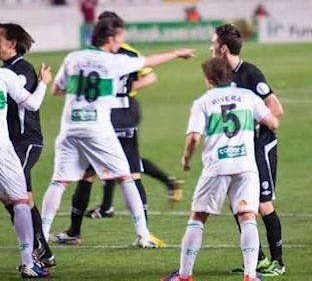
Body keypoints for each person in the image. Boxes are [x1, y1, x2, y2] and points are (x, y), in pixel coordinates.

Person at [40, 13, 195, 247]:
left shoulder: (74, 57)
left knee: (59, 181)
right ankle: (143, 235)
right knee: (125, 177)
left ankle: (40, 234)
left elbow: (56, 90)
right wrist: (176, 53)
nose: (120, 44)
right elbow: (150, 62)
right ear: (110, 38)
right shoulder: (114, 61)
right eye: (120, 39)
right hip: (97, 129)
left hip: (70, 128)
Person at [160, 57, 279, 281]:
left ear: (209, 79)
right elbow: (273, 122)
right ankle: (251, 275)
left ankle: (184, 276)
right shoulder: (248, 96)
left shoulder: (203, 102)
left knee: (198, 216)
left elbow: (194, 137)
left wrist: (186, 159)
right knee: (247, 216)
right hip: (246, 166)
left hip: (217, 166)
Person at [211, 24, 286, 276]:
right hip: (237, 148)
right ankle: (258, 259)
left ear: (223, 48)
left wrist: (253, 121)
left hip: (259, 145)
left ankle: (278, 262)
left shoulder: (250, 74)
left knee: (263, 204)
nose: (210, 49)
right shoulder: (220, 75)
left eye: (213, 45)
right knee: (239, 204)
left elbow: (276, 108)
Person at [0, 23, 56, 269]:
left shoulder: (20, 70)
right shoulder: (6, 71)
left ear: (11, 43)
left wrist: (44, 83)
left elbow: (30, 103)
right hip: (10, 143)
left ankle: (37, 251)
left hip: (25, 140)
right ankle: (42, 251)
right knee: (18, 197)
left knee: (18, 196)